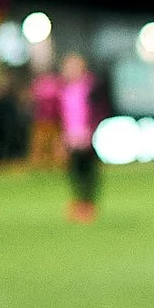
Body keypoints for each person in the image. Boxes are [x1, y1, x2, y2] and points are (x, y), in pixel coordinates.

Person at [59, 51, 103, 220]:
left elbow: (99, 110)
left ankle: (89, 204)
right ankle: (78, 203)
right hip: (71, 137)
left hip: (89, 136)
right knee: (74, 171)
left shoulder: (92, 87)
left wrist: (92, 130)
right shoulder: (64, 90)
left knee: (89, 172)